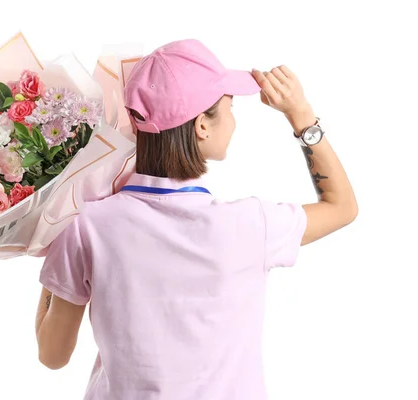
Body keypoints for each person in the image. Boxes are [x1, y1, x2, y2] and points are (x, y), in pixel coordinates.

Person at [34, 39, 358, 400]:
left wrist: (54, 220)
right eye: (230, 107)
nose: (234, 121)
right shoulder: (252, 225)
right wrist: (301, 117)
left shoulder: (87, 224)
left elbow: (53, 355)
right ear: (202, 125)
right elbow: (342, 207)